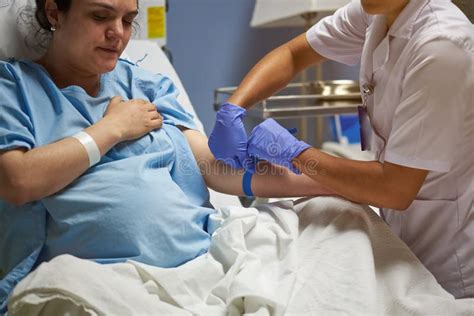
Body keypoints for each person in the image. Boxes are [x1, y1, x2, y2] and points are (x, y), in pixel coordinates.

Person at [0, 0, 335, 309]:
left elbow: (214, 167)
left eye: (128, 20)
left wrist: (322, 176)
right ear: (55, 12)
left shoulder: (146, 85)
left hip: (202, 257)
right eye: (100, 16)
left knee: (342, 216)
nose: (118, 32)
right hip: (100, 278)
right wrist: (111, 129)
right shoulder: (13, 87)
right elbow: (18, 180)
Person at [208, 0, 473, 299]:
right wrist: (233, 106)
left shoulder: (442, 46)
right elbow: (293, 55)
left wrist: (295, 153)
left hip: (450, 255)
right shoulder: (375, 12)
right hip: (398, 238)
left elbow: (395, 188)